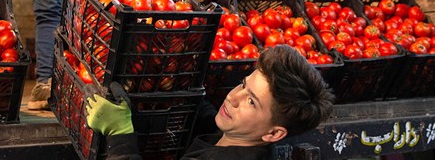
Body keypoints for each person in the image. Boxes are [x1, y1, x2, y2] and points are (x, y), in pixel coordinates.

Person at [86, 44, 335, 159]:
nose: (232, 97)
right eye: (242, 85)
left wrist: (119, 135)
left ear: (274, 133)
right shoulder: (238, 139)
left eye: (251, 102)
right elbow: (208, 119)